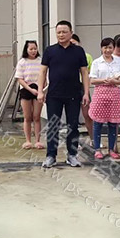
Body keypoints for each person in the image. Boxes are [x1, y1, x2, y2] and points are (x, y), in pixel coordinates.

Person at [38, 20, 89, 168]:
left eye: (64, 32)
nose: (61, 35)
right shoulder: (50, 51)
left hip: (74, 94)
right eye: (59, 32)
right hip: (54, 94)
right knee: (53, 125)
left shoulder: (78, 51)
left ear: (71, 33)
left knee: (73, 125)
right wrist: (40, 91)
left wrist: (86, 93)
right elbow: (42, 72)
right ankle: (51, 156)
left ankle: (72, 155)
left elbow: (84, 73)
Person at [89, 37, 120, 160]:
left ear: (113, 48)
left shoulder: (118, 62)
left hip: (114, 94)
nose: (107, 50)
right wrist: (104, 80)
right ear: (101, 48)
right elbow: (92, 80)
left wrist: (114, 81)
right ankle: (97, 149)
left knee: (113, 123)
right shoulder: (97, 62)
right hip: (100, 93)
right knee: (98, 123)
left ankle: (111, 149)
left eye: (110, 47)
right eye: (105, 47)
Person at [14, 40, 44, 150]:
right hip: (26, 89)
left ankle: (38, 141)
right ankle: (27, 141)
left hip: (38, 90)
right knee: (27, 117)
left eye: (35, 48)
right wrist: (30, 89)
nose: (33, 51)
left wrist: (41, 90)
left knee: (36, 116)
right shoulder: (22, 62)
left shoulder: (41, 61)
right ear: (26, 50)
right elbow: (19, 79)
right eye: (31, 49)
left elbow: (44, 76)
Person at [71, 34, 93, 141]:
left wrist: (87, 89)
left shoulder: (86, 56)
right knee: (73, 116)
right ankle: (75, 141)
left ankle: (93, 139)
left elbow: (90, 73)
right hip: (71, 87)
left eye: (74, 43)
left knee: (88, 114)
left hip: (83, 87)